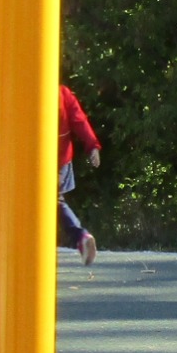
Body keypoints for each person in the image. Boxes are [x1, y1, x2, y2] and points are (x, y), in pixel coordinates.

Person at [57, 82, 102, 267]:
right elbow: (79, 120)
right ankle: (81, 237)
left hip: (41, 161)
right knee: (52, 201)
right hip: (61, 161)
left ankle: (80, 235)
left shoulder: (25, 94)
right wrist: (92, 146)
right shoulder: (62, 93)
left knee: (50, 202)